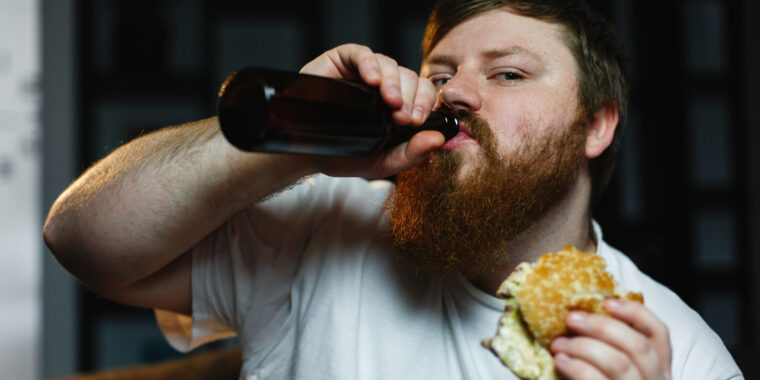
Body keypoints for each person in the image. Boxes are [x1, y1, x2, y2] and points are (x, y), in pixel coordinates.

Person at [43, 0, 742, 379]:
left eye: (508, 75)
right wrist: (291, 139)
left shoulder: (680, 355)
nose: (456, 92)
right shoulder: (324, 220)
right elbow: (82, 240)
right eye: (439, 74)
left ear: (596, 125)